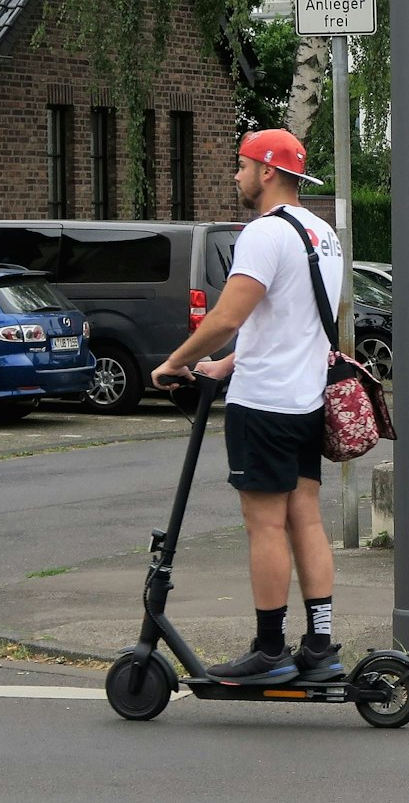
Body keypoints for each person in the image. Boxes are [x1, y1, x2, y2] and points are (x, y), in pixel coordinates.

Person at [150, 128, 344, 686]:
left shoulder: (263, 232)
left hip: (263, 404)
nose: (236, 176)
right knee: (306, 519)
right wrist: (226, 365)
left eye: (241, 165)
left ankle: (269, 649)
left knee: (265, 526)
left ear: (268, 170)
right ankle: (320, 647)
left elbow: (228, 317)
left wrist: (176, 362)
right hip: (306, 399)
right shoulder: (322, 234)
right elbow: (294, 322)